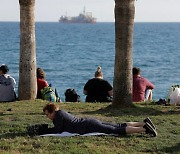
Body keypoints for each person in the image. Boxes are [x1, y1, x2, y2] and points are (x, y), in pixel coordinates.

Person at [42, 103, 157, 137]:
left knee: (116, 130)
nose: (48, 117)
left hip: (90, 126)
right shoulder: (61, 113)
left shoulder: (58, 116)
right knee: (117, 125)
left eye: (47, 114)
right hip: (90, 122)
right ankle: (144, 122)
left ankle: (144, 129)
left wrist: (43, 131)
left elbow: (58, 131)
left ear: (52, 111)